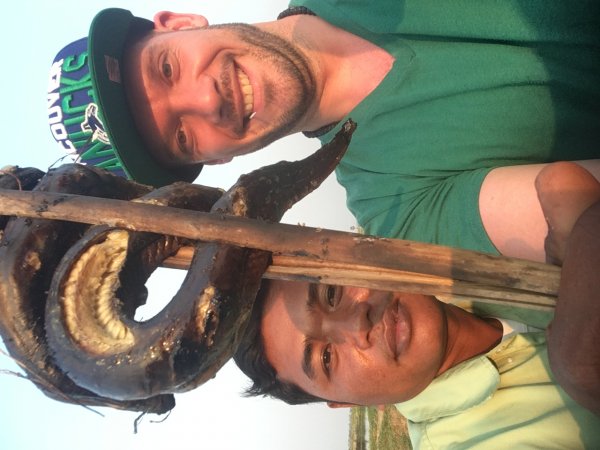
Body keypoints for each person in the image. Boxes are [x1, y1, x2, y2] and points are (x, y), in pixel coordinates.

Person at [47, 3, 600, 263]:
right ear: (215, 161)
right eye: (183, 137)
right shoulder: (398, 209)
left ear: (179, 23)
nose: (206, 100)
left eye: (166, 68)